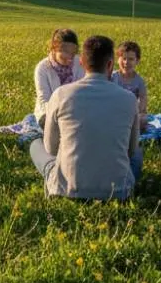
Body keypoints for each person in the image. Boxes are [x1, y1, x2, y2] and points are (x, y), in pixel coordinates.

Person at [30, 35, 140, 201]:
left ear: (81, 62)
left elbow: (51, 149)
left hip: (66, 189)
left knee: (35, 145)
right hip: (118, 191)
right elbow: (131, 151)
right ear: (110, 65)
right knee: (138, 152)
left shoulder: (60, 95)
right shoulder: (130, 99)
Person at [33, 28, 84, 124]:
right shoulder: (42, 68)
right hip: (49, 114)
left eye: (73, 53)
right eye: (65, 53)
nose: (70, 58)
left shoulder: (79, 63)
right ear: (54, 49)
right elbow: (44, 100)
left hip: (76, 112)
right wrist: (62, 114)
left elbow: (83, 92)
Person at [111, 40, 149, 132]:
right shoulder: (112, 77)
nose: (126, 62)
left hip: (132, 113)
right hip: (114, 111)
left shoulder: (139, 81)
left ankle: (128, 129)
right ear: (118, 59)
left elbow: (143, 99)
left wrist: (139, 112)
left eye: (131, 59)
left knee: (143, 120)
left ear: (137, 61)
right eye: (123, 58)